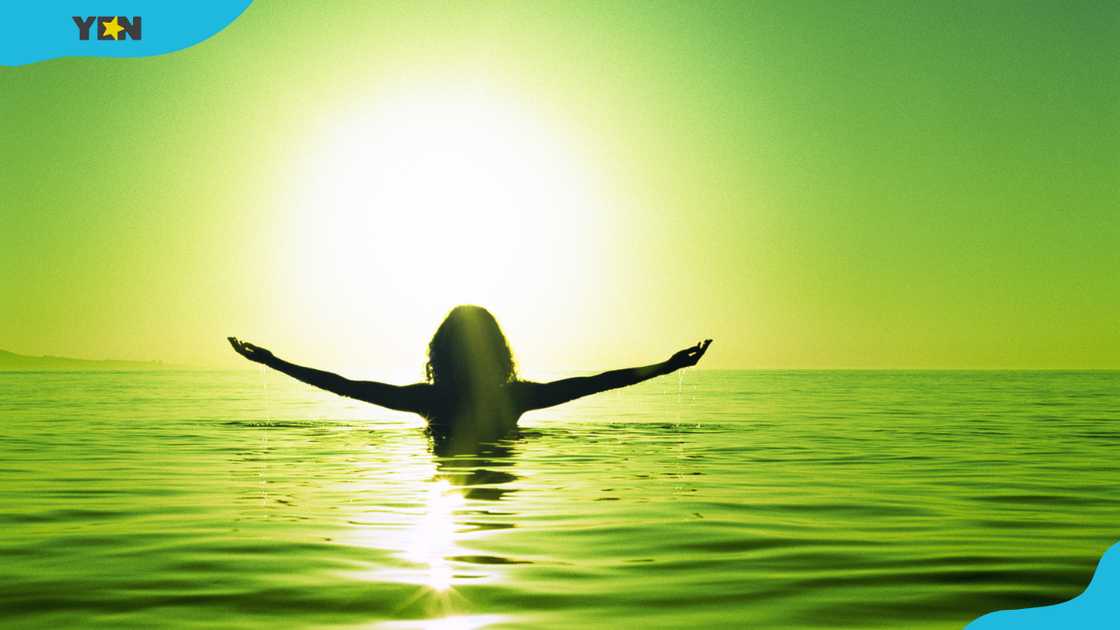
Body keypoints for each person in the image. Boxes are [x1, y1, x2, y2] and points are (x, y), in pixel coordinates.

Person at [228, 305, 711, 443]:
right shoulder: (517, 399)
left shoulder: (428, 401)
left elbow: (346, 387)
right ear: (498, 353)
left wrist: (273, 362)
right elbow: (601, 381)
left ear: (441, 353)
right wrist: (668, 366)